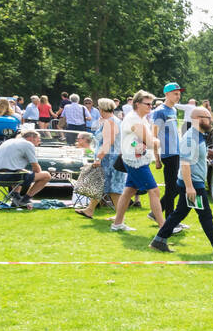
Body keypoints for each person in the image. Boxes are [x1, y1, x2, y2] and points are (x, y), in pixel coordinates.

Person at [150, 105, 213, 252]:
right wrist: (189, 187)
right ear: (198, 119)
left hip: (192, 182)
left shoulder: (199, 135)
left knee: (179, 213)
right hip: (193, 184)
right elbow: (185, 163)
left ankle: (159, 240)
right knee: (205, 215)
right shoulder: (191, 138)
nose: (211, 121)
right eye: (208, 118)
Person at [110, 91, 166, 231]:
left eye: (151, 104)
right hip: (136, 161)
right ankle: (163, 227)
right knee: (154, 191)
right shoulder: (134, 119)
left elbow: (132, 141)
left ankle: (117, 224)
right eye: (147, 104)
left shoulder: (141, 119)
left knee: (129, 191)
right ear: (137, 104)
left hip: (135, 158)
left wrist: (142, 144)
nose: (150, 107)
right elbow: (150, 142)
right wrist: (157, 141)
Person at [75, 98, 120, 219]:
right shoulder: (110, 121)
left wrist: (98, 158)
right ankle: (90, 209)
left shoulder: (110, 122)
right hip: (109, 157)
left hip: (109, 159)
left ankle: (120, 217)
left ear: (102, 109)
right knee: (102, 185)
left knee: (113, 189)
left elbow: (107, 143)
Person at [0, 129, 51, 207]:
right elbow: (36, 168)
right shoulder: (28, 144)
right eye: (38, 139)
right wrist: (38, 174)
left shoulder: (9, 141)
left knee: (21, 171)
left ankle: (16, 197)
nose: (39, 141)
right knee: (46, 176)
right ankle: (25, 200)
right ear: (31, 138)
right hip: (7, 176)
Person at [150, 82, 184, 219]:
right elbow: (154, 135)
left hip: (176, 152)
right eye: (175, 94)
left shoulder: (174, 110)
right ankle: (169, 220)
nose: (178, 96)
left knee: (175, 187)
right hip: (167, 153)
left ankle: (157, 213)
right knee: (172, 188)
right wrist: (157, 158)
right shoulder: (160, 111)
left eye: (179, 94)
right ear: (167, 94)